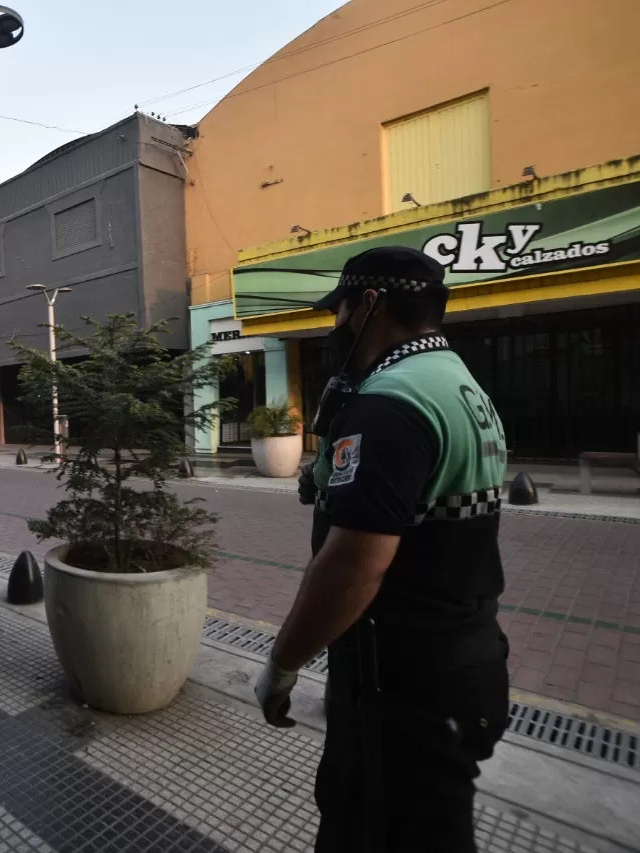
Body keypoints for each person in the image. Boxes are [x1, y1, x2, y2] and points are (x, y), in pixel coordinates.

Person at [254, 246, 509, 853]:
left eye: (338, 311)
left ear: (368, 304)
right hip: (459, 663)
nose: (333, 327)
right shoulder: (458, 384)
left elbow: (353, 567)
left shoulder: (391, 404)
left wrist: (282, 665)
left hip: (404, 687)